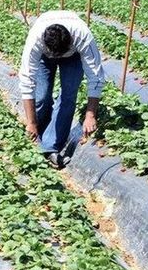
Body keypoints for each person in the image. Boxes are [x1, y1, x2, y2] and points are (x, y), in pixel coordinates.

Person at [19, 10, 106, 169]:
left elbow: (95, 76)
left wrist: (90, 115)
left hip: (73, 57)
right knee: (41, 96)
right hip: (44, 57)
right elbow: (27, 80)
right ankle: (38, 133)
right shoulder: (36, 39)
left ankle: (50, 146)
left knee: (68, 96)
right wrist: (31, 122)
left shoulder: (82, 36)